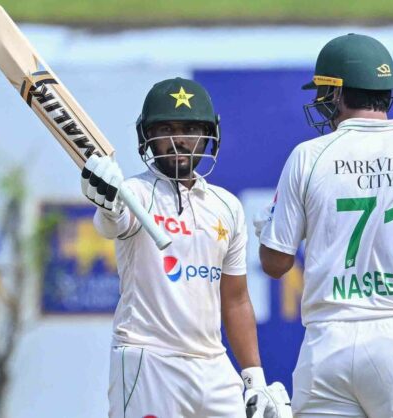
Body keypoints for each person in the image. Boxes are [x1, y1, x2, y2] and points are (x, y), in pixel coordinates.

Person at [254, 34, 393, 418]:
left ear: (337, 92)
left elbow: (275, 264)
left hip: (327, 346)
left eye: (324, 91)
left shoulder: (308, 157)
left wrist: (267, 231)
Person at [80, 77, 291, 418]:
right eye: (166, 129)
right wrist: (107, 204)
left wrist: (254, 379)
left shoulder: (226, 206)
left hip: (213, 365)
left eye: (190, 129)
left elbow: (236, 299)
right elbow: (112, 222)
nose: (179, 139)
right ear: (147, 136)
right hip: (148, 359)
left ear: (208, 135)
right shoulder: (135, 193)